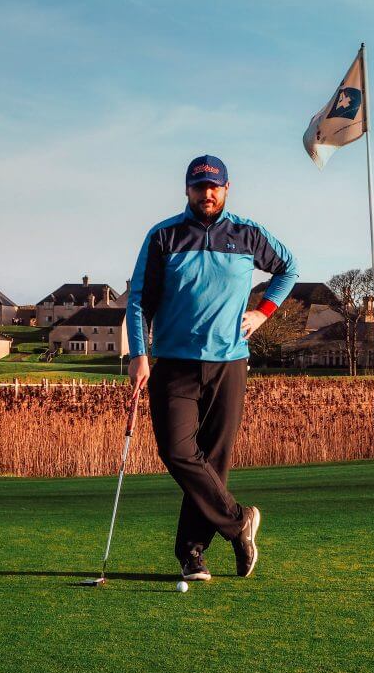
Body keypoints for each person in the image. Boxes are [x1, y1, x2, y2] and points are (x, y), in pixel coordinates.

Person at [126, 154, 298, 581]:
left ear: (226, 188)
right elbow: (137, 300)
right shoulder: (163, 236)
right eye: (200, 186)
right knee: (178, 451)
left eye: (215, 186)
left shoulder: (247, 234)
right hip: (174, 363)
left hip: (229, 364)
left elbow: (288, 269)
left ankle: (192, 553)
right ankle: (239, 522)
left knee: (214, 460)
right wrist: (138, 354)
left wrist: (263, 312)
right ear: (187, 189)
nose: (208, 193)